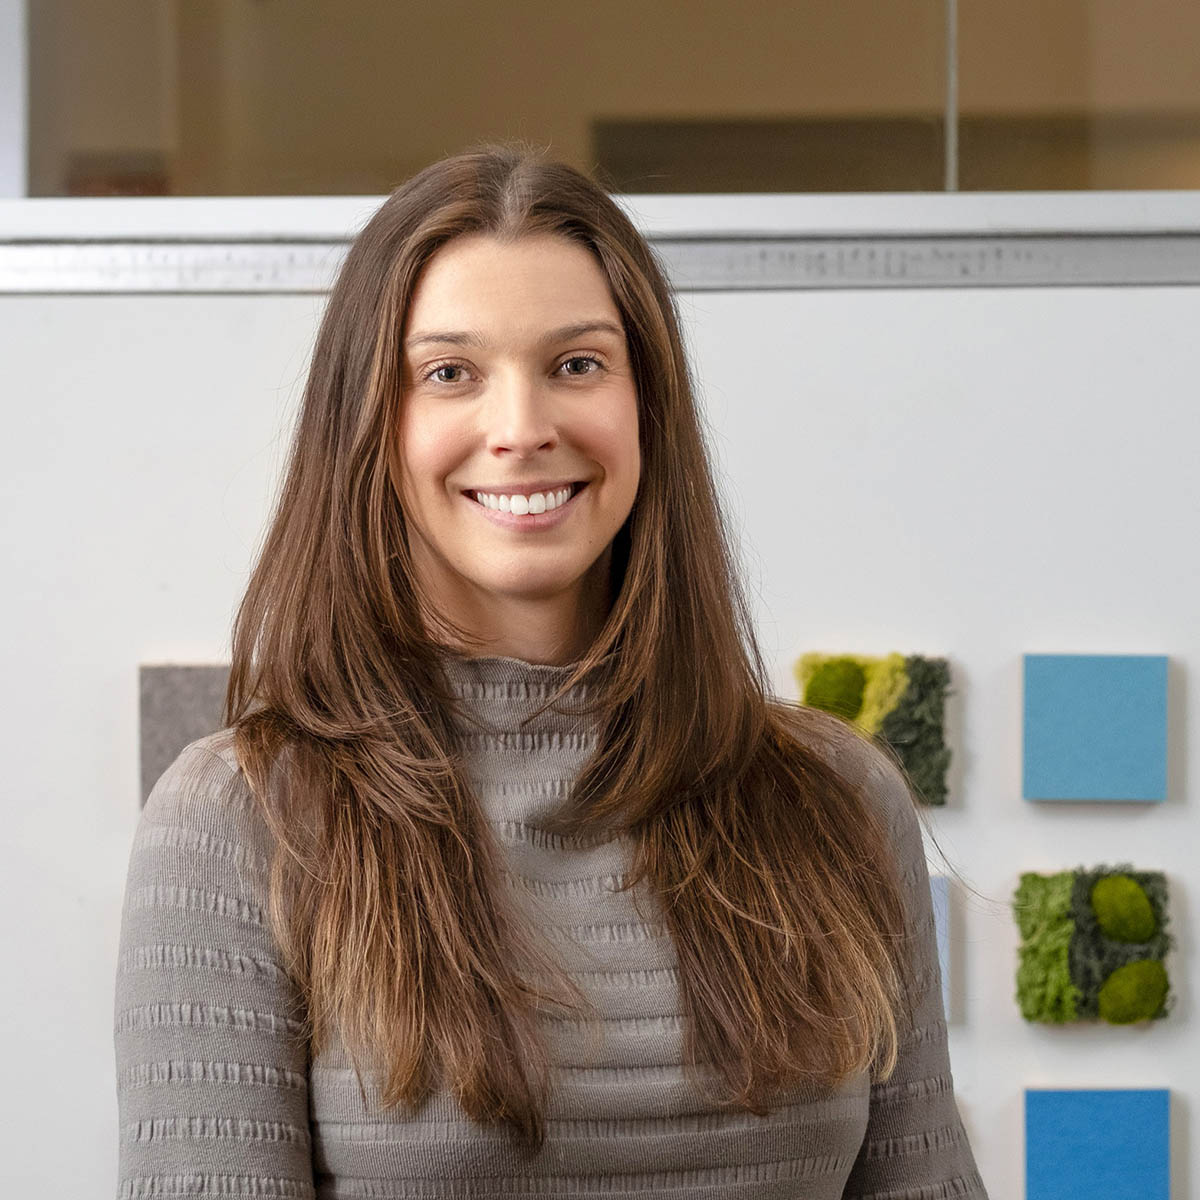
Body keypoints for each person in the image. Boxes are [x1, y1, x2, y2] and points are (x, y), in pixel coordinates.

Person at [113, 141, 988, 1198]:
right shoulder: (239, 817)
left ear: (645, 406)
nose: (521, 429)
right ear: (368, 427)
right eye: (450, 374)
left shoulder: (836, 797)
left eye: (577, 364)